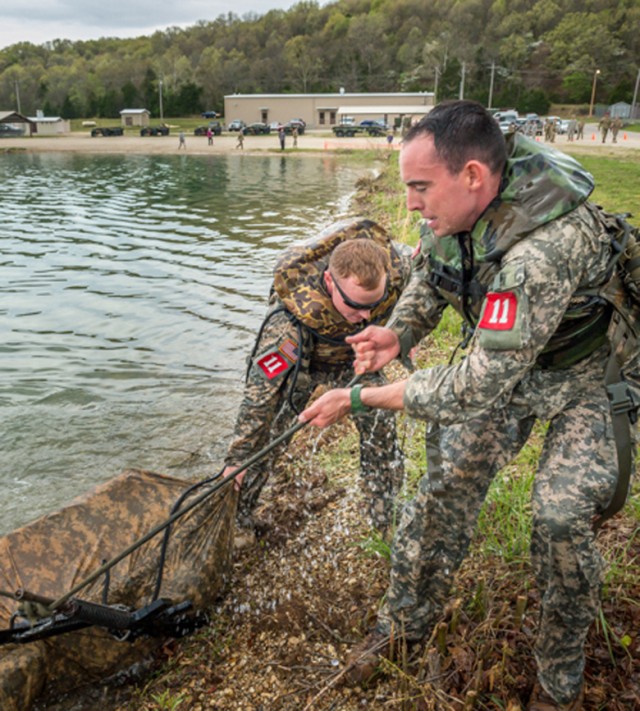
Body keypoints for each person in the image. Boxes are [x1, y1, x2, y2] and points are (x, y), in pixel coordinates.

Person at [300, 100, 640, 710]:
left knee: (560, 517)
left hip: (586, 375)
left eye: (419, 187)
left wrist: (361, 397)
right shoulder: (457, 214)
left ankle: (558, 683)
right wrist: (398, 335)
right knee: (441, 489)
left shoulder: (540, 252)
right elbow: (434, 278)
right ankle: (402, 625)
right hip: (512, 363)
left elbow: (476, 384)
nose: (409, 203)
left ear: (474, 177)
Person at [224, 219, 412, 545]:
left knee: (380, 417)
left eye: (373, 305)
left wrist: (408, 335)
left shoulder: (399, 268)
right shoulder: (286, 326)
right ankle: (238, 520)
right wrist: (236, 459)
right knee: (271, 434)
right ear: (329, 281)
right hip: (305, 362)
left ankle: (384, 515)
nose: (365, 315)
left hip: (354, 358)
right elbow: (259, 396)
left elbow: (430, 271)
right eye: (355, 306)